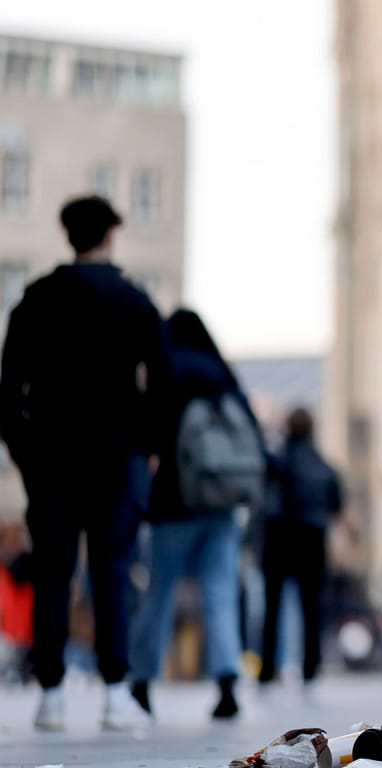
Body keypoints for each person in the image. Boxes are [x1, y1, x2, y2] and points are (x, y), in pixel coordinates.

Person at [0, 196, 168, 731]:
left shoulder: (35, 299)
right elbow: (163, 386)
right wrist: (148, 446)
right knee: (111, 572)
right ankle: (114, 691)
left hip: (50, 460)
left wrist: (26, 456)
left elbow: (9, 394)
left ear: (67, 235)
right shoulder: (133, 300)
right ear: (111, 237)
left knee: (53, 572)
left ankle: (50, 693)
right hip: (114, 460)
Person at [129, 310, 264, 720]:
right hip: (221, 505)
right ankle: (226, 683)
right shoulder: (223, 376)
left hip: (174, 504)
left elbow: (146, 431)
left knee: (161, 593)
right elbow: (252, 435)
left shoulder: (167, 370)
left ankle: (142, 683)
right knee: (220, 593)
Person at [258, 408, 343, 692]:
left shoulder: (278, 463)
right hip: (312, 538)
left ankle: (267, 668)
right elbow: (336, 503)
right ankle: (310, 667)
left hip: (279, 537)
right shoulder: (324, 466)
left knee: (273, 607)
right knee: (311, 608)